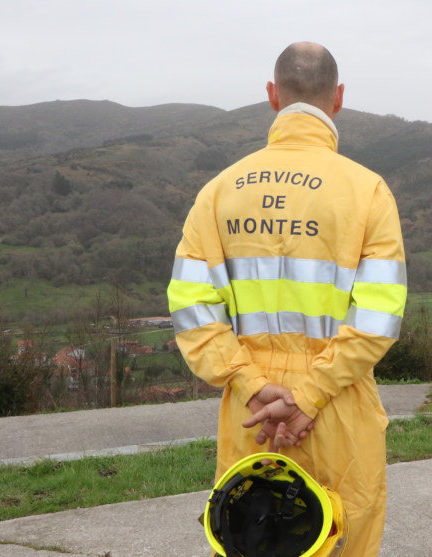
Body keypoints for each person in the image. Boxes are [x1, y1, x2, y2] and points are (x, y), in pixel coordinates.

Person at [168, 41, 406, 557]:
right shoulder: (368, 191)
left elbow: (192, 311)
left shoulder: (217, 191)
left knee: (248, 537)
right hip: (337, 408)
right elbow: (377, 318)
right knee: (346, 537)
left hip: (250, 416)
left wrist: (254, 388)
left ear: (273, 96)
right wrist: (310, 395)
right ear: (338, 97)